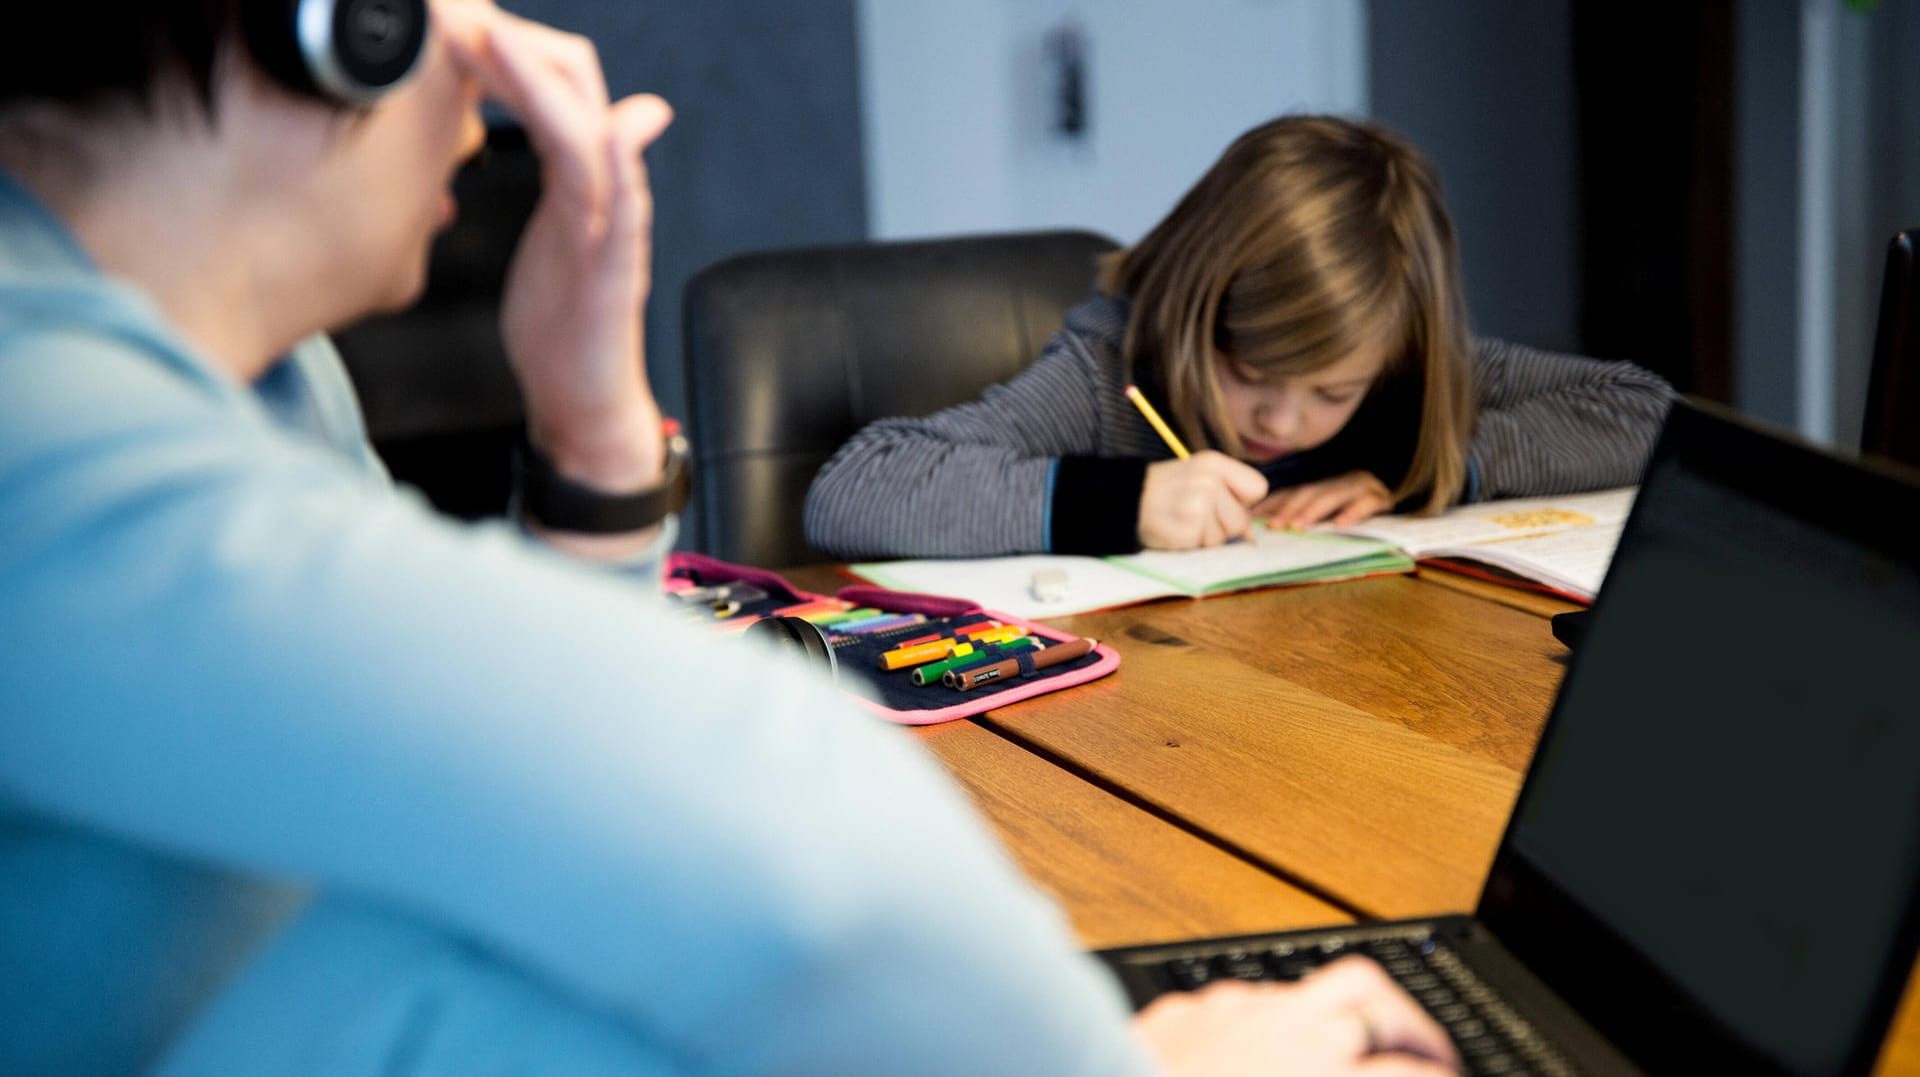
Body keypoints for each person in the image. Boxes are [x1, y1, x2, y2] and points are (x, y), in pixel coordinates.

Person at [0, 2, 1460, 1073]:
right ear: (336, 32)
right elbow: (786, 825)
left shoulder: (269, 385)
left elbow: (537, 762)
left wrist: (596, 449)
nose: (503, 61)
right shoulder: (30, 419)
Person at [804, 115, 1674, 560]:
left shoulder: (1398, 370)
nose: (1285, 421)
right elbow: (856, 488)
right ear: (1191, 306)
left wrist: (1426, 469)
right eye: (1250, 372)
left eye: (1334, 393)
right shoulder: (1111, 376)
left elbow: (1647, 412)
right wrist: (1130, 502)